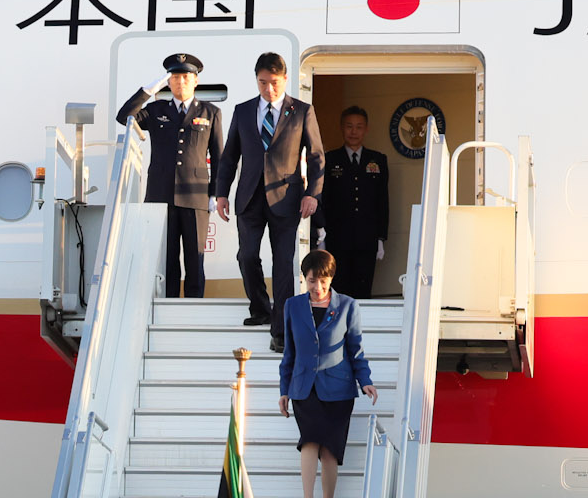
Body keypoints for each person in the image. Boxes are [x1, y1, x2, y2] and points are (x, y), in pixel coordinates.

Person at [214, 51, 325, 348]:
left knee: (283, 262)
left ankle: (281, 331)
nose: (269, 89)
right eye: (263, 82)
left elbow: (316, 157)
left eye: (274, 82)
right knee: (247, 256)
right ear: (257, 80)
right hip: (249, 197)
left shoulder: (302, 111)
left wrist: (312, 194)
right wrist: (221, 193)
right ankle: (261, 308)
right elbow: (229, 157)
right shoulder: (243, 111)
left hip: (287, 198)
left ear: (285, 79)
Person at [276, 249, 376, 498]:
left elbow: (356, 349)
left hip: (338, 389)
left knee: (330, 450)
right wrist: (284, 389)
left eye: (322, 281)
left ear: (331, 278)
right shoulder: (292, 306)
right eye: (311, 281)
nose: (317, 287)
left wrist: (365, 380)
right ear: (304, 279)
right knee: (309, 441)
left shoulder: (348, 306)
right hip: (303, 387)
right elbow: (289, 353)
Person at [115, 53, 226, 298]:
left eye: (185, 77)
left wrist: (215, 194)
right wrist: (147, 91)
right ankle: (168, 305)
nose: (180, 82)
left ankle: (194, 307)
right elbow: (124, 117)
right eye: (175, 77)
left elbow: (219, 157)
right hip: (161, 194)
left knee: (195, 259)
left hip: (196, 197)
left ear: (195, 81)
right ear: (168, 82)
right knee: (167, 260)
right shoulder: (156, 110)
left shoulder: (211, 112)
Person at [317, 107, 390, 300]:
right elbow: (324, 198)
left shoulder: (378, 160)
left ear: (366, 129)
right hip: (337, 236)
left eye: (359, 127)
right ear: (342, 128)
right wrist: (321, 232)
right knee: (338, 290)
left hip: (367, 237)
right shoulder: (330, 159)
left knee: (363, 289)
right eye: (349, 126)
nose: (354, 131)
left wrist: (381, 237)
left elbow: (382, 201)